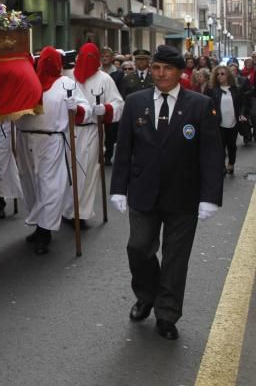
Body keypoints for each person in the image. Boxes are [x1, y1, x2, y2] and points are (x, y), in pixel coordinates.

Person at [111, 45, 223, 341]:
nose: (160, 74)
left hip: (184, 195)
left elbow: (211, 154)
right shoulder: (135, 102)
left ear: (180, 72)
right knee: (138, 247)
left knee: (176, 257)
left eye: (167, 69)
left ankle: (167, 313)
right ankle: (147, 295)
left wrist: (210, 196)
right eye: (157, 68)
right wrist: (118, 189)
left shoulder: (199, 104)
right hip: (143, 192)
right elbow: (123, 149)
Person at [15, 47, 90, 255]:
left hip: (52, 140)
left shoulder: (66, 84)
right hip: (25, 139)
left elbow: (86, 110)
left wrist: (77, 108)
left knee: (50, 186)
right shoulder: (29, 82)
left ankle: (45, 231)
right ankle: (39, 224)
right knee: (30, 184)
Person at [65, 43, 124, 225]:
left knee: (88, 172)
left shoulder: (105, 79)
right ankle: (66, 209)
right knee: (67, 173)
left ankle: (81, 213)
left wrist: (105, 110)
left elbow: (118, 104)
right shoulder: (67, 76)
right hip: (67, 131)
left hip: (91, 131)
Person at [206, 65, 245, 175]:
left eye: (222, 74)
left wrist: (241, 114)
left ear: (228, 75)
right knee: (220, 147)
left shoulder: (235, 89)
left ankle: (231, 164)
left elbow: (242, 104)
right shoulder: (212, 90)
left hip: (233, 123)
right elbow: (208, 106)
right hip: (219, 123)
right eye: (217, 74)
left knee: (232, 145)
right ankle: (222, 166)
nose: (219, 76)